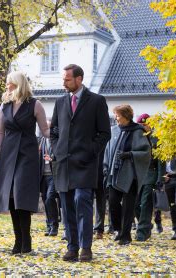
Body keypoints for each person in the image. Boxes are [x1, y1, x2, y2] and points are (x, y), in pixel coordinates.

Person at [50, 64, 111, 262]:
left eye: (67, 79)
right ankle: (72, 247)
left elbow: (104, 133)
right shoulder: (60, 102)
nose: (64, 83)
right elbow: (54, 132)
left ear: (79, 79)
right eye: (64, 78)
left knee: (82, 201)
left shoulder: (97, 101)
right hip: (64, 164)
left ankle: (86, 247)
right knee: (66, 206)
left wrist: (90, 152)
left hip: (85, 164)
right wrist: (57, 150)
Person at [0, 71, 50, 254]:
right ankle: (18, 241)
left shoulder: (35, 105)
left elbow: (45, 131)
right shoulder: (4, 105)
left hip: (27, 154)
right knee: (10, 197)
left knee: (21, 197)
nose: (7, 86)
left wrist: (62, 136)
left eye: (10, 83)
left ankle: (27, 240)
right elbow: (0, 132)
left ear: (18, 85)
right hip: (8, 153)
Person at [103, 105, 151, 246]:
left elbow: (146, 153)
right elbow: (108, 150)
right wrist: (106, 167)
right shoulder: (114, 131)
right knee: (113, 203)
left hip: (131, 175)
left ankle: (126, 236)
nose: (115, 118)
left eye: (117, 115)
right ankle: (118, 229)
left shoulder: (138, 131)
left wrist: (130, 154)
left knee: (128, 207)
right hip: (114, 173)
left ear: (126, 116)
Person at [134, 113, 165, 241]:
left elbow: (160, 162)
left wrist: (160, 178)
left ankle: (141, 232)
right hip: (137, 176)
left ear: (149, 125)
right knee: (135, 204)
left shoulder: (156, 140)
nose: (141, 127)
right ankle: (147, 225)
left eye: (143, 125)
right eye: (139, 125)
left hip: (150, 175)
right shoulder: (136, 138)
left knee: (146, 203)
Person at [39, 120, 60, 237]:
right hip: (42, 176)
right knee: (45, 200)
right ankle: (49, 225)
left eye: (47, 126)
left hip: (53, 175)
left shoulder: (55, 140)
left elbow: (59, 153)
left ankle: (54, 225)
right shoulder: (40, 141)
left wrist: (52, 158)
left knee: (49, 198)